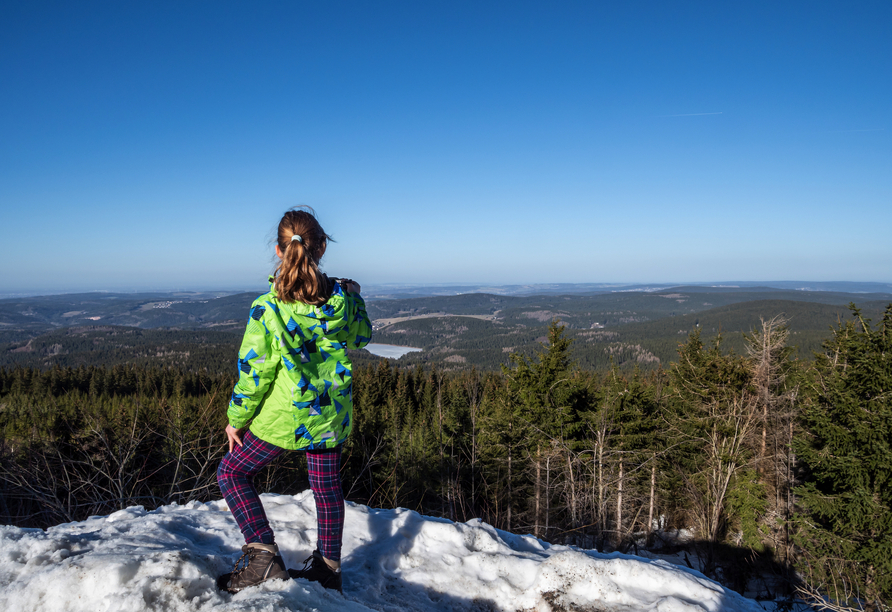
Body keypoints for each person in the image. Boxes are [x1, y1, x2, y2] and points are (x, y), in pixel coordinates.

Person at [216, 207, 372, 594]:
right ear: (321, 248)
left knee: (232, 473)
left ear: (278, 249)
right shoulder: (342, 300)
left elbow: (255, 373)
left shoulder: (267, 307)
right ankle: (329, 570)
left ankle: (263, 557)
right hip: (330, 414)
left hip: (284, 417)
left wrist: (236, 419)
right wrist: (355, 296)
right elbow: (362, 337)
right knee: (327, 489)